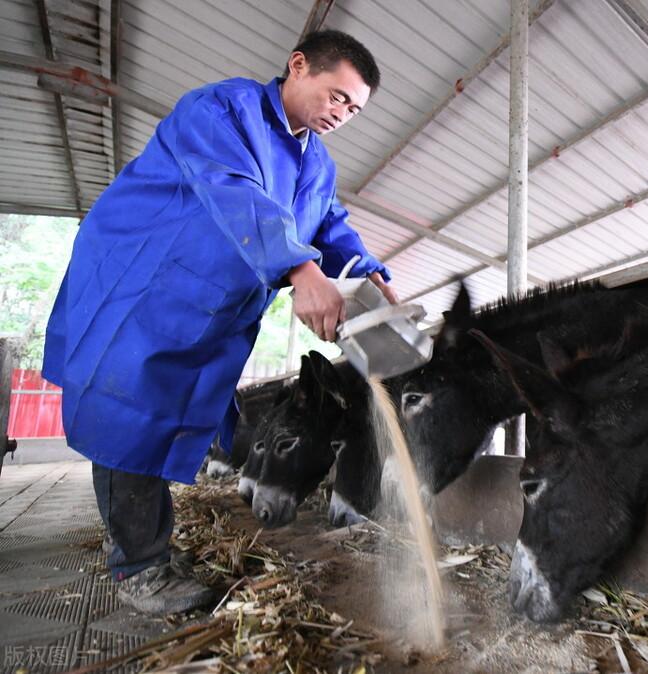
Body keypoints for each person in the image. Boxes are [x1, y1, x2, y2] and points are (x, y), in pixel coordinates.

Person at [41, 30, 396, 615]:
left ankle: (152, 549)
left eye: (353, 109)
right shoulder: (221, 111)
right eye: (336, 96)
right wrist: (301, 270)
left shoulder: (317, 164)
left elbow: (331, 228)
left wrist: (372, 275)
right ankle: (140, 571)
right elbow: (236, 191)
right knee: (129, 420)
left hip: (209, 311)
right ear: (299, 65)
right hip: (144, 293)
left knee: (177, 414)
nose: (342, 114)